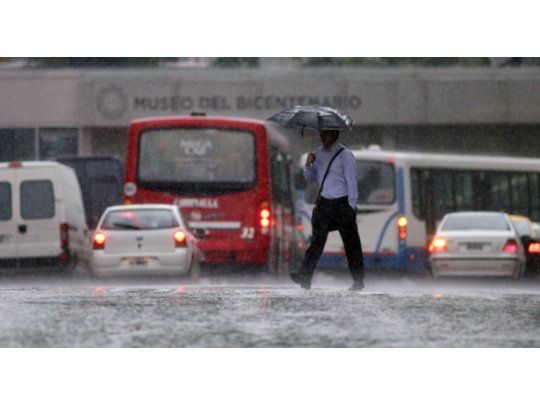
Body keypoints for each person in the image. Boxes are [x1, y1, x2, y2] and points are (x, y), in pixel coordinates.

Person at [290, 129, 365, 291]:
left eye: (327, 134)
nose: (323, 137)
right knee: (317, 241)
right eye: (322, 134)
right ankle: (305, 275)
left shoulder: (345, 155)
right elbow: (311, 179)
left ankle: (358, 280)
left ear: (335, 135)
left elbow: (352, 182)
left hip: (342, 203)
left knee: (351, 243)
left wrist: (351, 207)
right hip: (325, 204)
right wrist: (308, 164)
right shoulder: (318, 154)